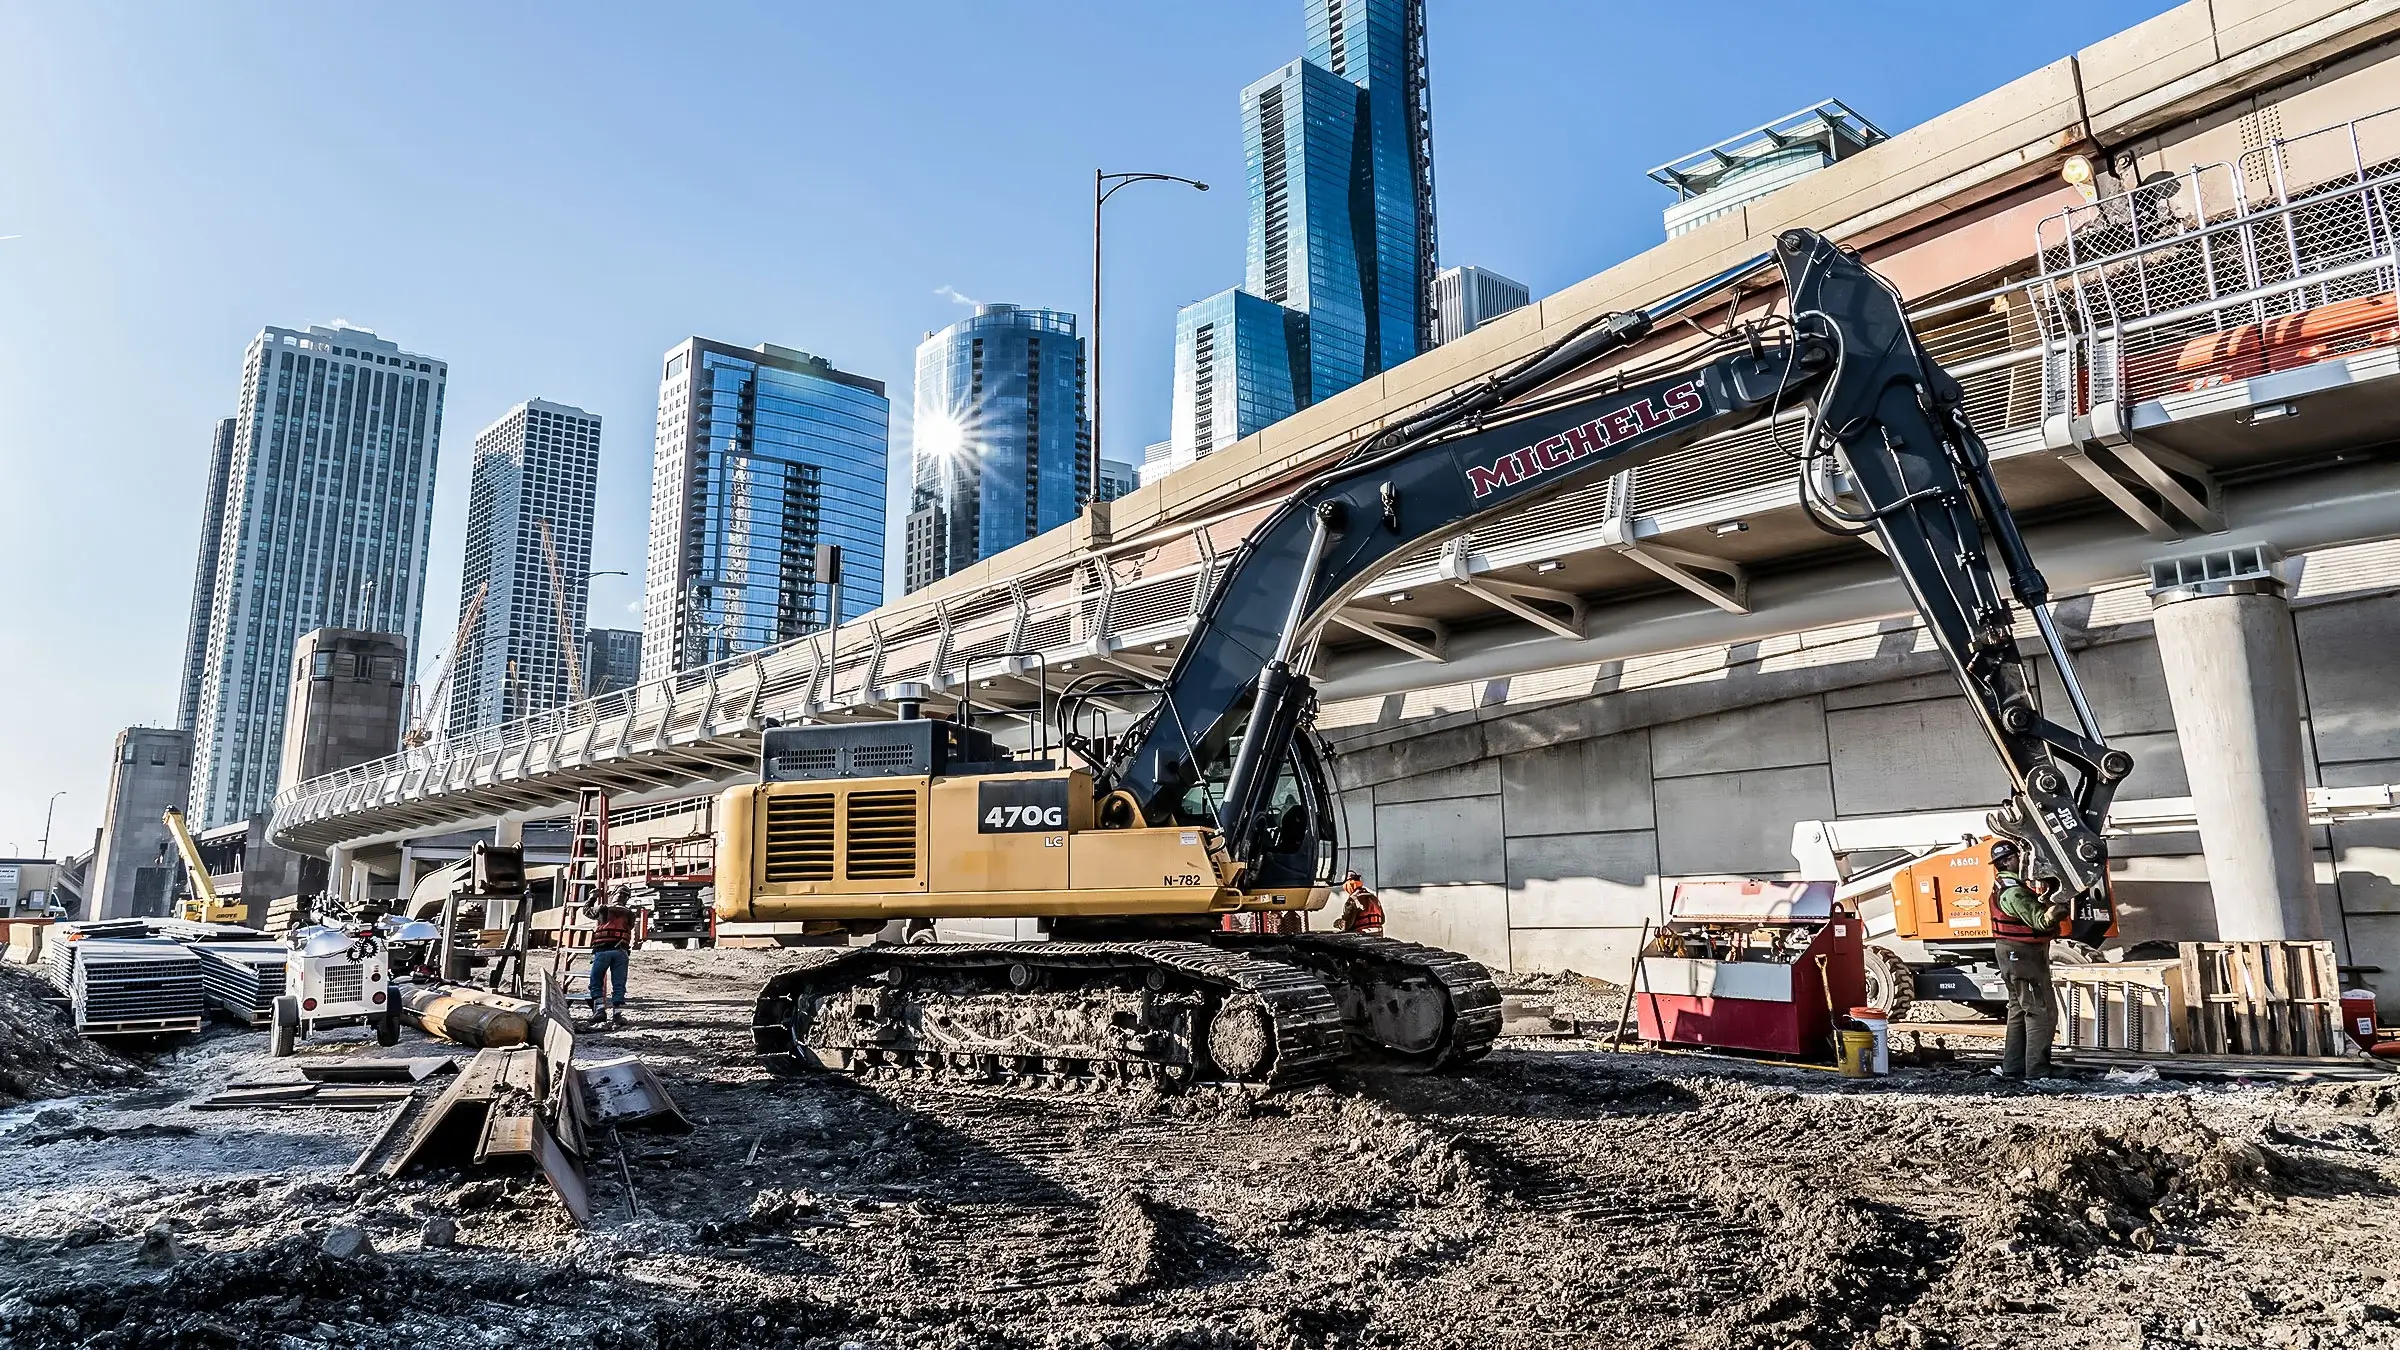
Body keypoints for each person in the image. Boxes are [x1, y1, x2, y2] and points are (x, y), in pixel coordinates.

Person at [1987, 840, 2064, 1081]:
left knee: (2019, 1009)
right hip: (2023, 956)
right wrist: (2057, 909)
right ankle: (2038, 1070)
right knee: (2040, 1011)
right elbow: (2041, 922)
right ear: (2009, 860)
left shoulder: (2005, 884)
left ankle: (2013, 1067)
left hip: (2012, 954)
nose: (2024, 861)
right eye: (2020, 857)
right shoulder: (2014, 892)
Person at [584, 885, 638, 1025]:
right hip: (621, 952)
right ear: (626, 899)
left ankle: (600, 1010)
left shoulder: (604, 908)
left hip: (603, 950)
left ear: (614, 895)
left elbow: (587, 911)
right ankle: (617, 1015)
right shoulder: (630, 913)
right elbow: (630, 926)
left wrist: (592, 897)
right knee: (619, 984)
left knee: (596, 981)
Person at [1334, 871, 1384, 936]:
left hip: (1362, 937)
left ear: (1347, 885)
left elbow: (1347, 925)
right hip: (1378, 935)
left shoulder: (1352, 900)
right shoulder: (1374, 898)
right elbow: (1382, 920)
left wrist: (1339, 923)